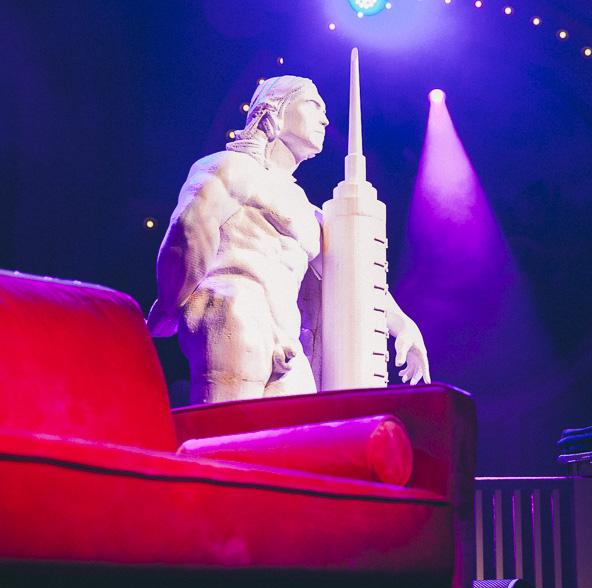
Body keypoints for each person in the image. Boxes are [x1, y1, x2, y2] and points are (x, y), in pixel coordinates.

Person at [147, 75, 429, 403]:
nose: (325, 118)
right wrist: (169, 303)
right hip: (233, 312)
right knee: (230, 437)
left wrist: (403, 325)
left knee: (299, 444)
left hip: (286, 341)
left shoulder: (308, 211)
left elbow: (356, 279)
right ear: (276, 110)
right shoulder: (233, 167)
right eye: (313, 105)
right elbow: (191, 229)